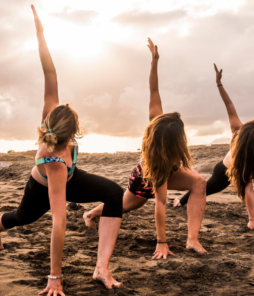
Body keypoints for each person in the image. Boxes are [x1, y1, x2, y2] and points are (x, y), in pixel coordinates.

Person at [0, 5, 125, 296]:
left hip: (71, 175)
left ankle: (102, 267)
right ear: (73, 132)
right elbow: (59, 222)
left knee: (115, 193)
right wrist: (55, 278)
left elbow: (50, 71)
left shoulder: (51, 115)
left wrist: (40, 34)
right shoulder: (55, 162)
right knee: (23, 217)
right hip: (43, 186)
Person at [82, 39, 207, 259]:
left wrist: (154, 62)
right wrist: (161, 242)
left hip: (169, 170)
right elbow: (160, 204)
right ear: (174, 142)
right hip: (145, 176)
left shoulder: (157, 121)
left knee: (198, 182)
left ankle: (192, 239)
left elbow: (154, 88)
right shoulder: (159, 162)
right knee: (127, 205)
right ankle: (91, 214)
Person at [173, 64, 254, 229]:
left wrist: (219, 83)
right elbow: (248, 190)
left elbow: (229, 105)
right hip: (224, 171)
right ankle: (180, 202)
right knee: (206, 188)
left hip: (246, 166)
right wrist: (252, 220)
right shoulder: (238, 132)